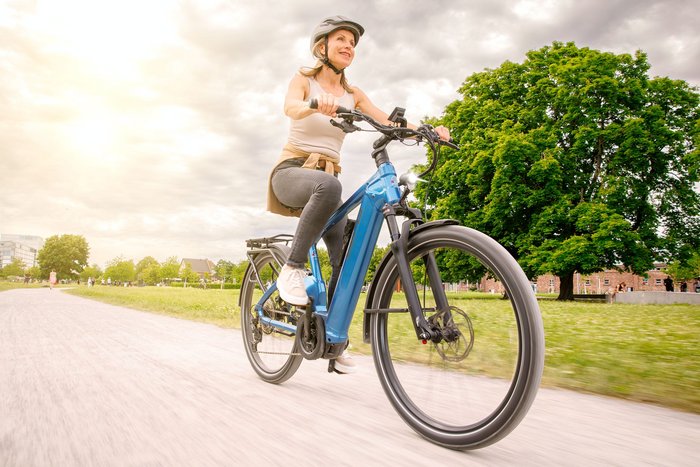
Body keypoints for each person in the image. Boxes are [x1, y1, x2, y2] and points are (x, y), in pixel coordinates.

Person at [267, 16, 450, 374]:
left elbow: (388, 120)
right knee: (331, 186)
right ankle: (291, 267)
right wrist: (314, 104)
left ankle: (332, 341)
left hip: (326, 186)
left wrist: (428, 129)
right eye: (341, 39)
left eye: (352, 41)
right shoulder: (303, 80)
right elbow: (290, 105)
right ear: (322, 46)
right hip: (291, 173)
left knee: (347, 253)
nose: (349, 45)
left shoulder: (354, 94)